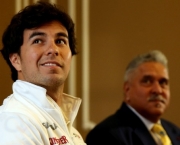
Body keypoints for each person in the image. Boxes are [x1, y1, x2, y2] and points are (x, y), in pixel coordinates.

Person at [0, 1, 86, 145]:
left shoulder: (72, 132)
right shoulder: (15, 121)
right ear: (16, 60)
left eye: (60, 41)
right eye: (38, 40)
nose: (53, 49)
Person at [86, 50, 180, 145]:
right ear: (127, 90)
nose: (158, 90)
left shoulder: (175, 132)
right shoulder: (105, 135)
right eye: (147, 81)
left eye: (163, 83)